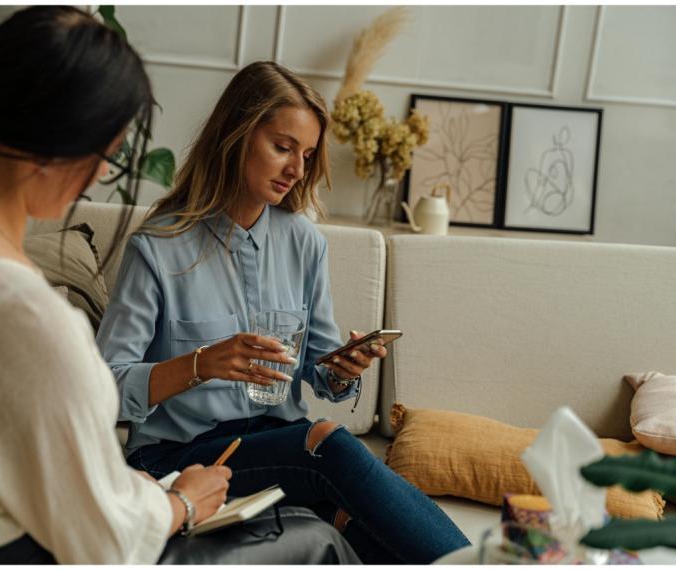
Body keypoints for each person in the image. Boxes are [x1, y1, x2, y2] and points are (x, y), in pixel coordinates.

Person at [0, 6, 234, 564]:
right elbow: (107, 544)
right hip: (17, 550)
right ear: (56, 144)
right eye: (107, 154)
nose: (104, 173)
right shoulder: (19, 314)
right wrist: (184, 502)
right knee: (310, 545)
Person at [97, 60, 471, 564]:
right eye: (283, 147)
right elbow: (106, 390)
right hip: (181, 456)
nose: (297, 169)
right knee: (327, 443)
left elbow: (321, 371)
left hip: (278, 447)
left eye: (308, 154)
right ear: (237, 135)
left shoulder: (304, 243)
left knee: (360, 530)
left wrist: (342, 369)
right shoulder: (158, 248)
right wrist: (200, 365)